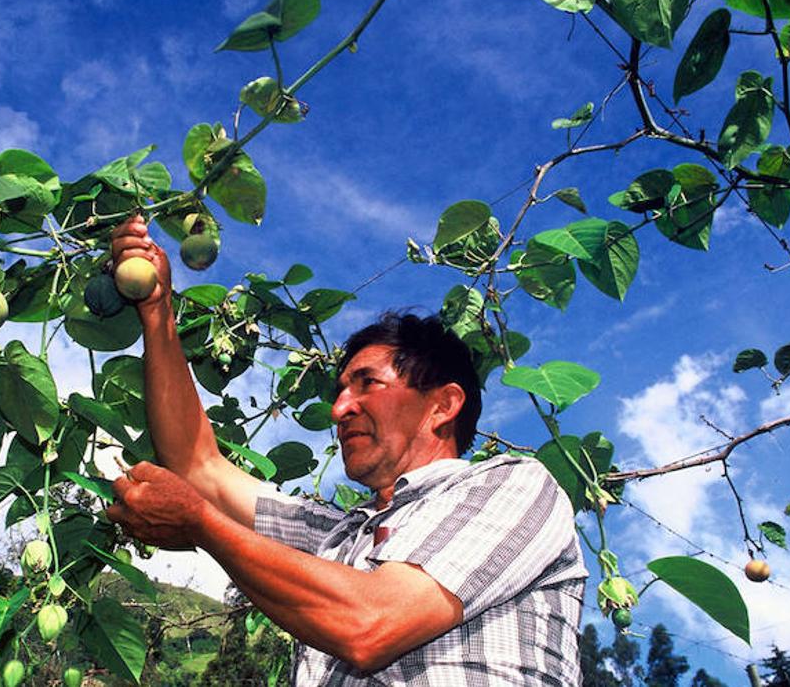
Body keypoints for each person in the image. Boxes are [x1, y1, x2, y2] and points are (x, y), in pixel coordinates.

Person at [105, 214, 588, 685]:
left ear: (443, 404)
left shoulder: (515, 484)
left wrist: (201, 525)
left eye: (367, 383)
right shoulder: (338, 539)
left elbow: (372, 622)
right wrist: (157, 310)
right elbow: (198, 466)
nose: (339, 410)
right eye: (339, 392)